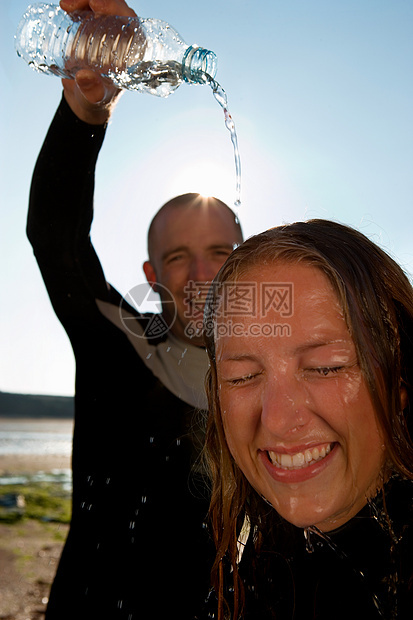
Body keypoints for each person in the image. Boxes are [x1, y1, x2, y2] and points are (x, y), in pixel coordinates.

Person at [26, 1, 243, 618]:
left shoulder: (276, 375)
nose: (201, 274)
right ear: (151, 274)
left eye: (220, 252)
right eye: (178, 257)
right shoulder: (115, 342)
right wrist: (87, 105)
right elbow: (55, 237)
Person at [202, 219, 413, 619]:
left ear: (400, 379)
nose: (279, 420)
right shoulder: (250, 560)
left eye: (325, 367)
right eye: (242, 377)